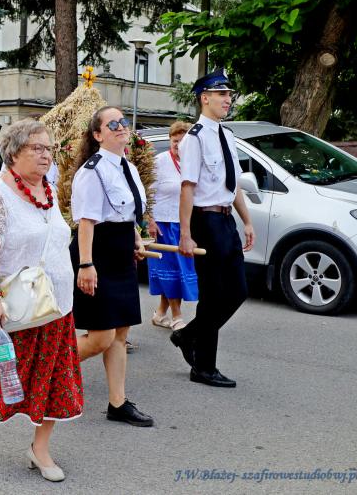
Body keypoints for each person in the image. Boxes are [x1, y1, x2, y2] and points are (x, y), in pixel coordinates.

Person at [0, 119, 82, 482]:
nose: (46, 155)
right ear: (14, 152)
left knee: (56, 382)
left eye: (49, 148)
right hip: (19, 309)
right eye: (37, 148)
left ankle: (39, 448)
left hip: (57, 306)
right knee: (3, 380)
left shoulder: (49, 190)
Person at [69, 106, 153, 427]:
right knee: (100, 338)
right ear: (98, 135)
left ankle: (117, 403)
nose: (120, 127)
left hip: (120, 254)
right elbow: (87, 222)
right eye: (112, 124)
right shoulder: (92, 171)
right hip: (97, 254)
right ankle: (42, 367)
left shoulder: (128, 167)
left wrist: (136, 239)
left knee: (120, 334)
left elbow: (125, 214)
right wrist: (86, 264)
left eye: (123, 122)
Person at [173, 69, 254, 388]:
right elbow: (187, 187)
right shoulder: (194, 138)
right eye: (221, 94)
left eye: (229, 94)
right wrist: (185, 233)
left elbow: (233, 185)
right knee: (213, 294)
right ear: (204, 98)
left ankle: (188, 335)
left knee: (238, 291)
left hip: (226, 219)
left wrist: (246, 220)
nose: (228, 99)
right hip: (205, 220)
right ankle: (204, 367)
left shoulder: (227, 135)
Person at [147, 121, 198, 331]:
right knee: (170, 270)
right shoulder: (160, 162)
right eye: (174, 140)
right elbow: (147, 193)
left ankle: (160, 314)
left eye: (182, 141)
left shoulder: (192, 163)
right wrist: (150, 220)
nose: (177, 145)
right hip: (163, 224)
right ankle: (177, 316)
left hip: (184, 225)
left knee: (178, 271)